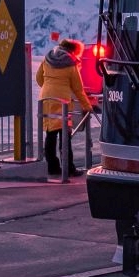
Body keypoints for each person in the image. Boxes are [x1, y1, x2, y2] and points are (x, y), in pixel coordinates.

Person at [36, 38, 94, 181]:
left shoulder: (48, 58)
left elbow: (38, 78)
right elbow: (78, 89)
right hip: (62, 101)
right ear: (74, 50)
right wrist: (87, 106)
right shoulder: (70, 63)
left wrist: (48, 87)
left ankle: (52, 167)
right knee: (65, 136)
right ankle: (69, 168)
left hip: (46, 99)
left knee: (50, 134)